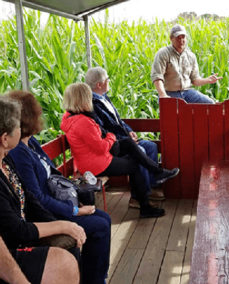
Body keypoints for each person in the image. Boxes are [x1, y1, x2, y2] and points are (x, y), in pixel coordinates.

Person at [7, 91, 110, 284]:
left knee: (103, 217)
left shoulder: (31, 143)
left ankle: (95, 276)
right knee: (101, 225)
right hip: (48, 213)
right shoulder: (19, 153)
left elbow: (52, 173)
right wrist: (75, 211)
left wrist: (74, 191)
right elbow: (36, 197)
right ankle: (95, 280)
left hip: (57, 202)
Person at [61, 83, 179, 219]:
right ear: (83, 99)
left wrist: (110, 138)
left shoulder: (71, 117)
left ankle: (156, 174)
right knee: (136, 165)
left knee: (128, 144)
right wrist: (111, 137)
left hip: (92, 159)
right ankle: (146, 205)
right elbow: (101, 148)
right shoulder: (83, 122)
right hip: (97, 164)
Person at [0, 96, 83, 284]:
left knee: (71, 244)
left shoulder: (6, 161)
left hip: (23, 233)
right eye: (17, 127)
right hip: (11, 247)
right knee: (65, 262)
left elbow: (29, 199)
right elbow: (16, 230)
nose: (21, 130)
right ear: (5, 138)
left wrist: (60, 223)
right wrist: (63, 224)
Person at [85, 67, 164, 207]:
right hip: (114, 146)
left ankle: (149, 187)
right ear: (99, 85)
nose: (109, 81)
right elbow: (104, 131)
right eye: (107, 79)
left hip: (123, 139)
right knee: (141, 151)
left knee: (151, 146)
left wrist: (129, 131)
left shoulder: (104, 97)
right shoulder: (93, 105)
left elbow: (118, 121)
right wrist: (125, 140)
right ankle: (137, 197)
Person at [151, 24, 222, 103]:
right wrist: (163, 95)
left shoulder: (191, 56)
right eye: (178, 37)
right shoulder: (163, 53)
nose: (181, 40)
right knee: (175, 113)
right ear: (171, 38)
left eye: (183, 37)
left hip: (187, 92)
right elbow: (157, 77)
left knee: (209, 104)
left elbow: (195, 80)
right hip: (170, 93)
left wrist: (208, 80)